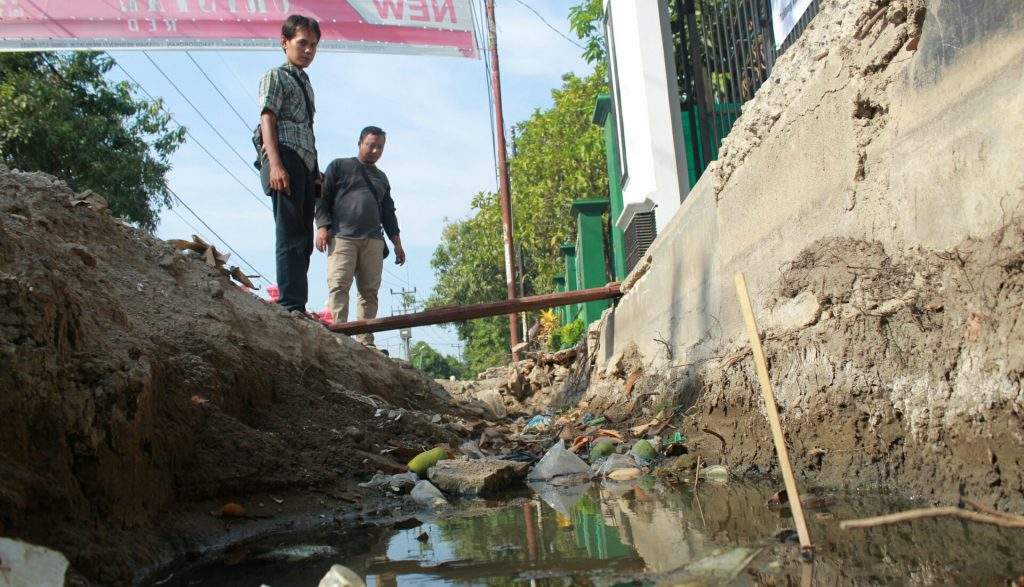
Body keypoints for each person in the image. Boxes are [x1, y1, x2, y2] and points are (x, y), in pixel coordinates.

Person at [315, 126, 406, 347]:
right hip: (342, 237)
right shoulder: (339, 166)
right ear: (360, 143)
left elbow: (388, 212)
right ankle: (339, 335)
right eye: (371, 145)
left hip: (373, 240)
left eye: (380, 147)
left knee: (369, 291)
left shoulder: (382, 178)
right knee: (339, 286)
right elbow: (322, 198)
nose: (375, 150)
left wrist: (397, 243)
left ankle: (365, 340)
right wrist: (322, 227)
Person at [257, 14, 321, 313]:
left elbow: (308, 129)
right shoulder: (276, 75)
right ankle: (289, 304)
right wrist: (276, 163)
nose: (308, 50)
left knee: (305, 238)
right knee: (290, 234)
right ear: (284, 43)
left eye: (313, 45)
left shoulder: (305, 83)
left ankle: (298, 303)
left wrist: (316, 173)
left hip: (306, 164)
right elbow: (268, 117)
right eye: (302, 43)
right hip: (286, 157)